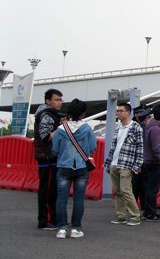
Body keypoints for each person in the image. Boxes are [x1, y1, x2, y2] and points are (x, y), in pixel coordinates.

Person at [51, 98, 97, 239]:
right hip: (82, 167)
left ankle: (62, 228)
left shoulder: (60, 129)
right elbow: (93, 147)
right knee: (78, 199)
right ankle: (76, 228)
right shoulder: (87, 128)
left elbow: (55, 149)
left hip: (64, 166)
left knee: (61, 199)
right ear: (83, 114)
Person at [104, 103, 144, 226]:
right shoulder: (118, 128)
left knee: (126, 190)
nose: (118, 113)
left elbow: (140, 147)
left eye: (121, 111)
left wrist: (137, 165)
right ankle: (121, 215)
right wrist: (108, 163)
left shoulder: (136, 127)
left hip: (127, 163)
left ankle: (135, 215)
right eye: (117, 111)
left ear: (128, 112)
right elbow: (113, 147)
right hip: (115, 162)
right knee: (117, 191)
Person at [33, 88, 65, 230]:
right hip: (47, 157)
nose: (60, 103)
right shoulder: (46, 115)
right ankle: (45, 220)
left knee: (53, 189)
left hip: (51, 156)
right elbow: (46, 137)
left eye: (60, 100)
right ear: (48, 101)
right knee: (47, 190)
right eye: (56, 100)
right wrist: (61, 128)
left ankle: (53, 218)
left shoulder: (50, 114)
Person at [142, 104, 160, 222]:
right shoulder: (155, 129)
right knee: (152, 189)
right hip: (153, 162)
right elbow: (156, 148)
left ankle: (150, 211)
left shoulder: (151, 126)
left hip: (149, 161)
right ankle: (150, 213)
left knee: (150, 188)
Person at [132, 107, 151, 206]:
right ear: (147, 118)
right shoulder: (149, 130)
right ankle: (145, 205)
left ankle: (132, 205)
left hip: (136, 160)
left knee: (135, 184)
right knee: (146, 184)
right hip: (146, 160)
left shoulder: (136, 129)